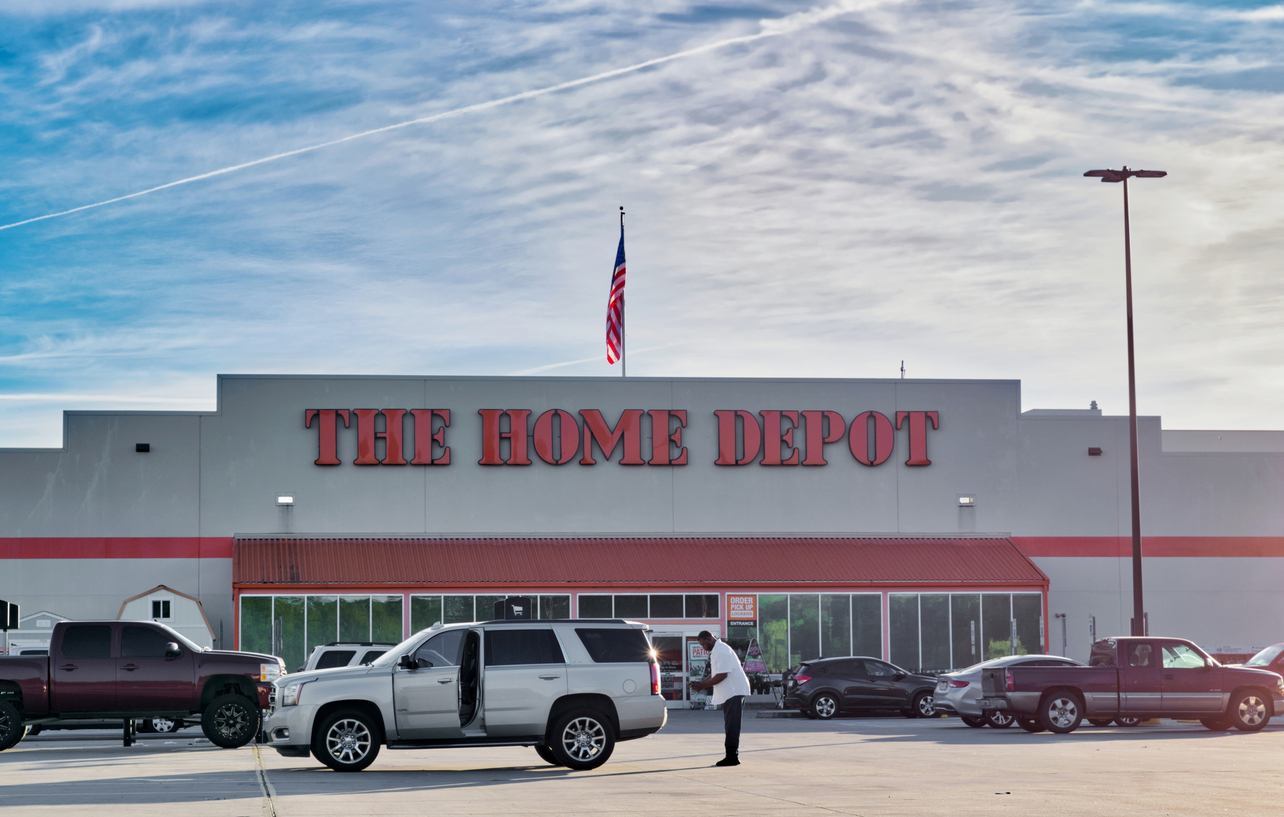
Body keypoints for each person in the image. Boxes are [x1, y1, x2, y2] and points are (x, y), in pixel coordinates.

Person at [688, 630, 751, 767]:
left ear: (709, 639)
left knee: (732, 725)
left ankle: (732, 757)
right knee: (729, 725)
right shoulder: (716, 650)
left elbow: (722, 675)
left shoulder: (721, 651)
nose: (703, 648)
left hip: (734, 691)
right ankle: (731, 755)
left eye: (703, 644)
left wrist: (702, 685)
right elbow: (714, 674)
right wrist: (701, 683)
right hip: (730, 693)